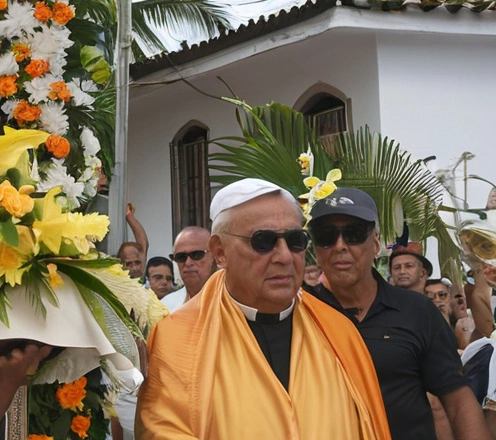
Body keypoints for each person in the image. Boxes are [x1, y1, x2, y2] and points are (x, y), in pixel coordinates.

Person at [137, 179, 390, 439]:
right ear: (220, 252)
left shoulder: (338, 332)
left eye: (295, 240)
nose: (284, 256)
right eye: (263, 241)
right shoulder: (176, 339)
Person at [307, 187, 486, 439]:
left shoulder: (417, 310)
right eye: (326, 236)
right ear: (316, 248)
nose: (340, 246)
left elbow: (457, 401)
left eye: (354, 234)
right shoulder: (301, 311)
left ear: (376, 243)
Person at [161, 227, 215, 311]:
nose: (188, 263)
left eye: (196, 255)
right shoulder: (166, 306)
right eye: (181, 257)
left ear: (214, 255)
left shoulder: (234, 301)